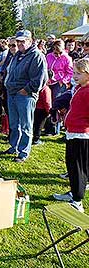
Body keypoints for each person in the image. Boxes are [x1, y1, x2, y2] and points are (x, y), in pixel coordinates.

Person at [4, 30, 48, 162]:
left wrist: (26, 90)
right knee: (14, 123)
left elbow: (39, 79)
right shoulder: (17, 55)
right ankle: (14, 147)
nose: (20, 43)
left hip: (25, 95)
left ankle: (23, 152)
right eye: (18, 41)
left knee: (26, 125)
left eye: (23, 41)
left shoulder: (36, 56)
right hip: (12, 93)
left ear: (30, 41)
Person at [53, 58, 89, 213]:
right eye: (74, 72)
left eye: (79, 74)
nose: (75, 76)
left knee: (78, 168)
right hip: (72, 132)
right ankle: (73, 193)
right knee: (72, 166)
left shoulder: (87, 91)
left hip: (81, 135)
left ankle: (77, 201)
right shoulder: (79, 88)